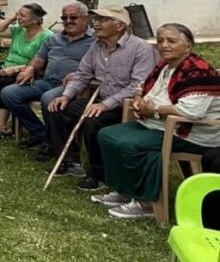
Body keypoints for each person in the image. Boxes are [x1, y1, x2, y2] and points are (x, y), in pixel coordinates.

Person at [94, 24, 220, 219]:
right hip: (159, 124)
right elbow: (141, 85)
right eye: (160, 41)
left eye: (172, 41)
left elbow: (190, 112)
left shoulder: (198, 71)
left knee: (131, 144)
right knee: (107, 134)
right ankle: (125, 190)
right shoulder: (165, 65)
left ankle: (147, 203)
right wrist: (137, 98)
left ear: (188, 46)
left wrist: (153, 110)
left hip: (190, 132)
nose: (164, 45)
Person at [47, 5, 157, 190]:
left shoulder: (141, 49)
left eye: (103, 20)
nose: (96, 24)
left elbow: (137, 86)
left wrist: (105, 105)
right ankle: (71, 162)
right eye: (96, 19)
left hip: (128, 105)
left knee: (93, 120)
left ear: (120, 25)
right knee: (59, 108)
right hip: (101, 100)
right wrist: (66, 96)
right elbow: (82, 74)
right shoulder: (96, 46)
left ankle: (98, 175)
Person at [0, 2, 95, 157]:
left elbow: (98, 66)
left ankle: (52, 144)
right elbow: (39, 59)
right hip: (47, 81)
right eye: (64, 17)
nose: (68, 21)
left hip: (73, 85)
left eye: (73, 17)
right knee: (9, 93)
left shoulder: (94, 41)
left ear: (86, 19)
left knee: (48, 99)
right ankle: (41, 133)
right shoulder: (54, 39)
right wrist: (31, 68)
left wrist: (79, 75)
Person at [0, 3, 52, 138]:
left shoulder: (47, 36)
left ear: (35, 20)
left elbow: (42, 62)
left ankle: (2, 127)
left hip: (27, 72)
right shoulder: (19, 30)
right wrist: (12, 18)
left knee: (1, 83)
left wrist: (15, 69)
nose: (19, 18)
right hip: (6, 67)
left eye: (23, 16)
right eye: (18, 14)